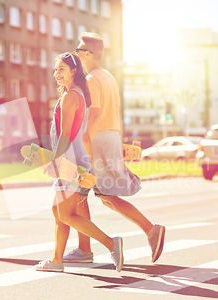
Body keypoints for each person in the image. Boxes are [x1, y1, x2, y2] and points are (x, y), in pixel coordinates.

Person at [63, 33, 166, 264]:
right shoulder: (108, 77)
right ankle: (149, 231)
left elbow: (96, 113)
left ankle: (85, 249)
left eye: (79, 50)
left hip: (98, 139)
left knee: (84, 193)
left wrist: (86, 147)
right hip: (110, 137)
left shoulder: (92, 79)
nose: (77, 53)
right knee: (102, 195)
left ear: (88, 54)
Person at [33, 52, 123, 272]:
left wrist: (56, 160)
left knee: (65, 214)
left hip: (69, 159)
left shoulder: (70, 96)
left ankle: (111, 243)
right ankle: (56, 260)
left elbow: (64, 134)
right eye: (55, 70)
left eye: (61, 69)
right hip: (75, 157)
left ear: (74, 71)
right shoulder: (79, 94)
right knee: (59, 212)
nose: (57, 74)